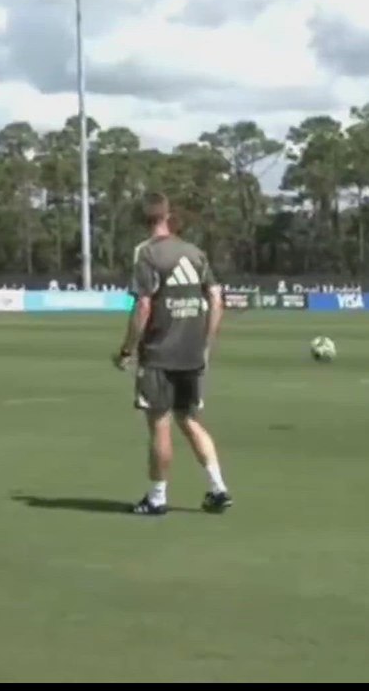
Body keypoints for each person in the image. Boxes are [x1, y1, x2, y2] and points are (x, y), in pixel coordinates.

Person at [112, 192, 230, 515]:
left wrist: (127, 349)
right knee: (189, 419)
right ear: (169, 215)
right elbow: (217, 300)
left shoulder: (147, 254)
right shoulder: (195, 252)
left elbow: (144, 305)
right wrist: (206, 343)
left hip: (160, 355)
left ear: (144, 218)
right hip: (192, 354)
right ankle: (218, 488)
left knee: (160, 424)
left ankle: (157, 497)